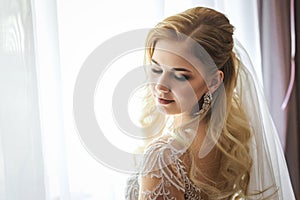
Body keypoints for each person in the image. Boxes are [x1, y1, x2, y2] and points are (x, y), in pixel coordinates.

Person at [125, 7, 295, 199]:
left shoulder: (163, 157)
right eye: (156, 69)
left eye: (180, 76)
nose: (161, 86)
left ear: (213, 82)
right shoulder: (230, 140)